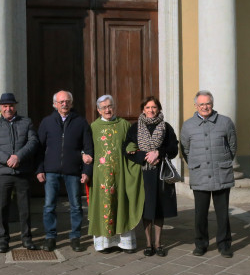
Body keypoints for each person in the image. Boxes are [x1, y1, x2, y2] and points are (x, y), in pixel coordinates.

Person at [180, 90, 237, 258]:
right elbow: (185, 149)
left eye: (208, 103)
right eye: (201, 104)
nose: (205, 107)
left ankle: (224, 244)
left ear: (212, 104)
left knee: (222, 212)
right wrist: (196, 164)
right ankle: (200, 244)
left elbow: (232, 146)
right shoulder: (188, 125)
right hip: (200, 174)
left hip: (221, 173)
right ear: (196, 106)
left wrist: (223, 162)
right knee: (200, 213)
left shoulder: (225, 122)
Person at [37, 90, 93, 252]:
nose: (64, 104)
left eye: (67, 101)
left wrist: (86, 171)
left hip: (73, 171)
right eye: (61, 101)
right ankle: (50, 237)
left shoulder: (81, 122)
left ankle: (75, 237)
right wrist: (39, 169)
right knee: (49, 206)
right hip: (51, 171)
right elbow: (39, 148)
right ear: (55, 104)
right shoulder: (47, 122)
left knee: (76, 206)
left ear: (71, 103)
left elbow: (88, 148)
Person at [88, 95, 144, 254]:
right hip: (101, 176)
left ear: (115, 107)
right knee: (104, 206)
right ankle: (104, 244)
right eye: (104, 107)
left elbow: (132, 143)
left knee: (121, 205)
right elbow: (87, 148)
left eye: (110, 106)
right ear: (98, 110)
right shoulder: (94, 127)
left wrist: (134, 151)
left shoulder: (124, 125)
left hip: (121, 175)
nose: (107, 109)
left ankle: (125, 243)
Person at [123, 96, 178, 257]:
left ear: (159, 109)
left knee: (159, 209)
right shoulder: (135, 128)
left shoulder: (166, 127)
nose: (151, 110)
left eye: (154, 107)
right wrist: (142, 157)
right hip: (143, 173)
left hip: (160, 172)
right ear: (143, 110)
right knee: (146, 209)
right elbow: (126, 147)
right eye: (148, 107)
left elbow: (173, 148)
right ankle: (148, 243)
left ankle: (158, 243)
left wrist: (159, 153)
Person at [0, 93, 40, 253]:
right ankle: (3, 241)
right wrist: (6, 158)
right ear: (0, 107)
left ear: (15, 106)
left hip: (22, 172)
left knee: (25, 208)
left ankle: (27, 239)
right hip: (4, 173)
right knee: (2, 209)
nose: (8, 108)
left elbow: (33, 142)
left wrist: (18, 157)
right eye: (5, 106)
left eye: (11, 105)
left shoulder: (26, 122)